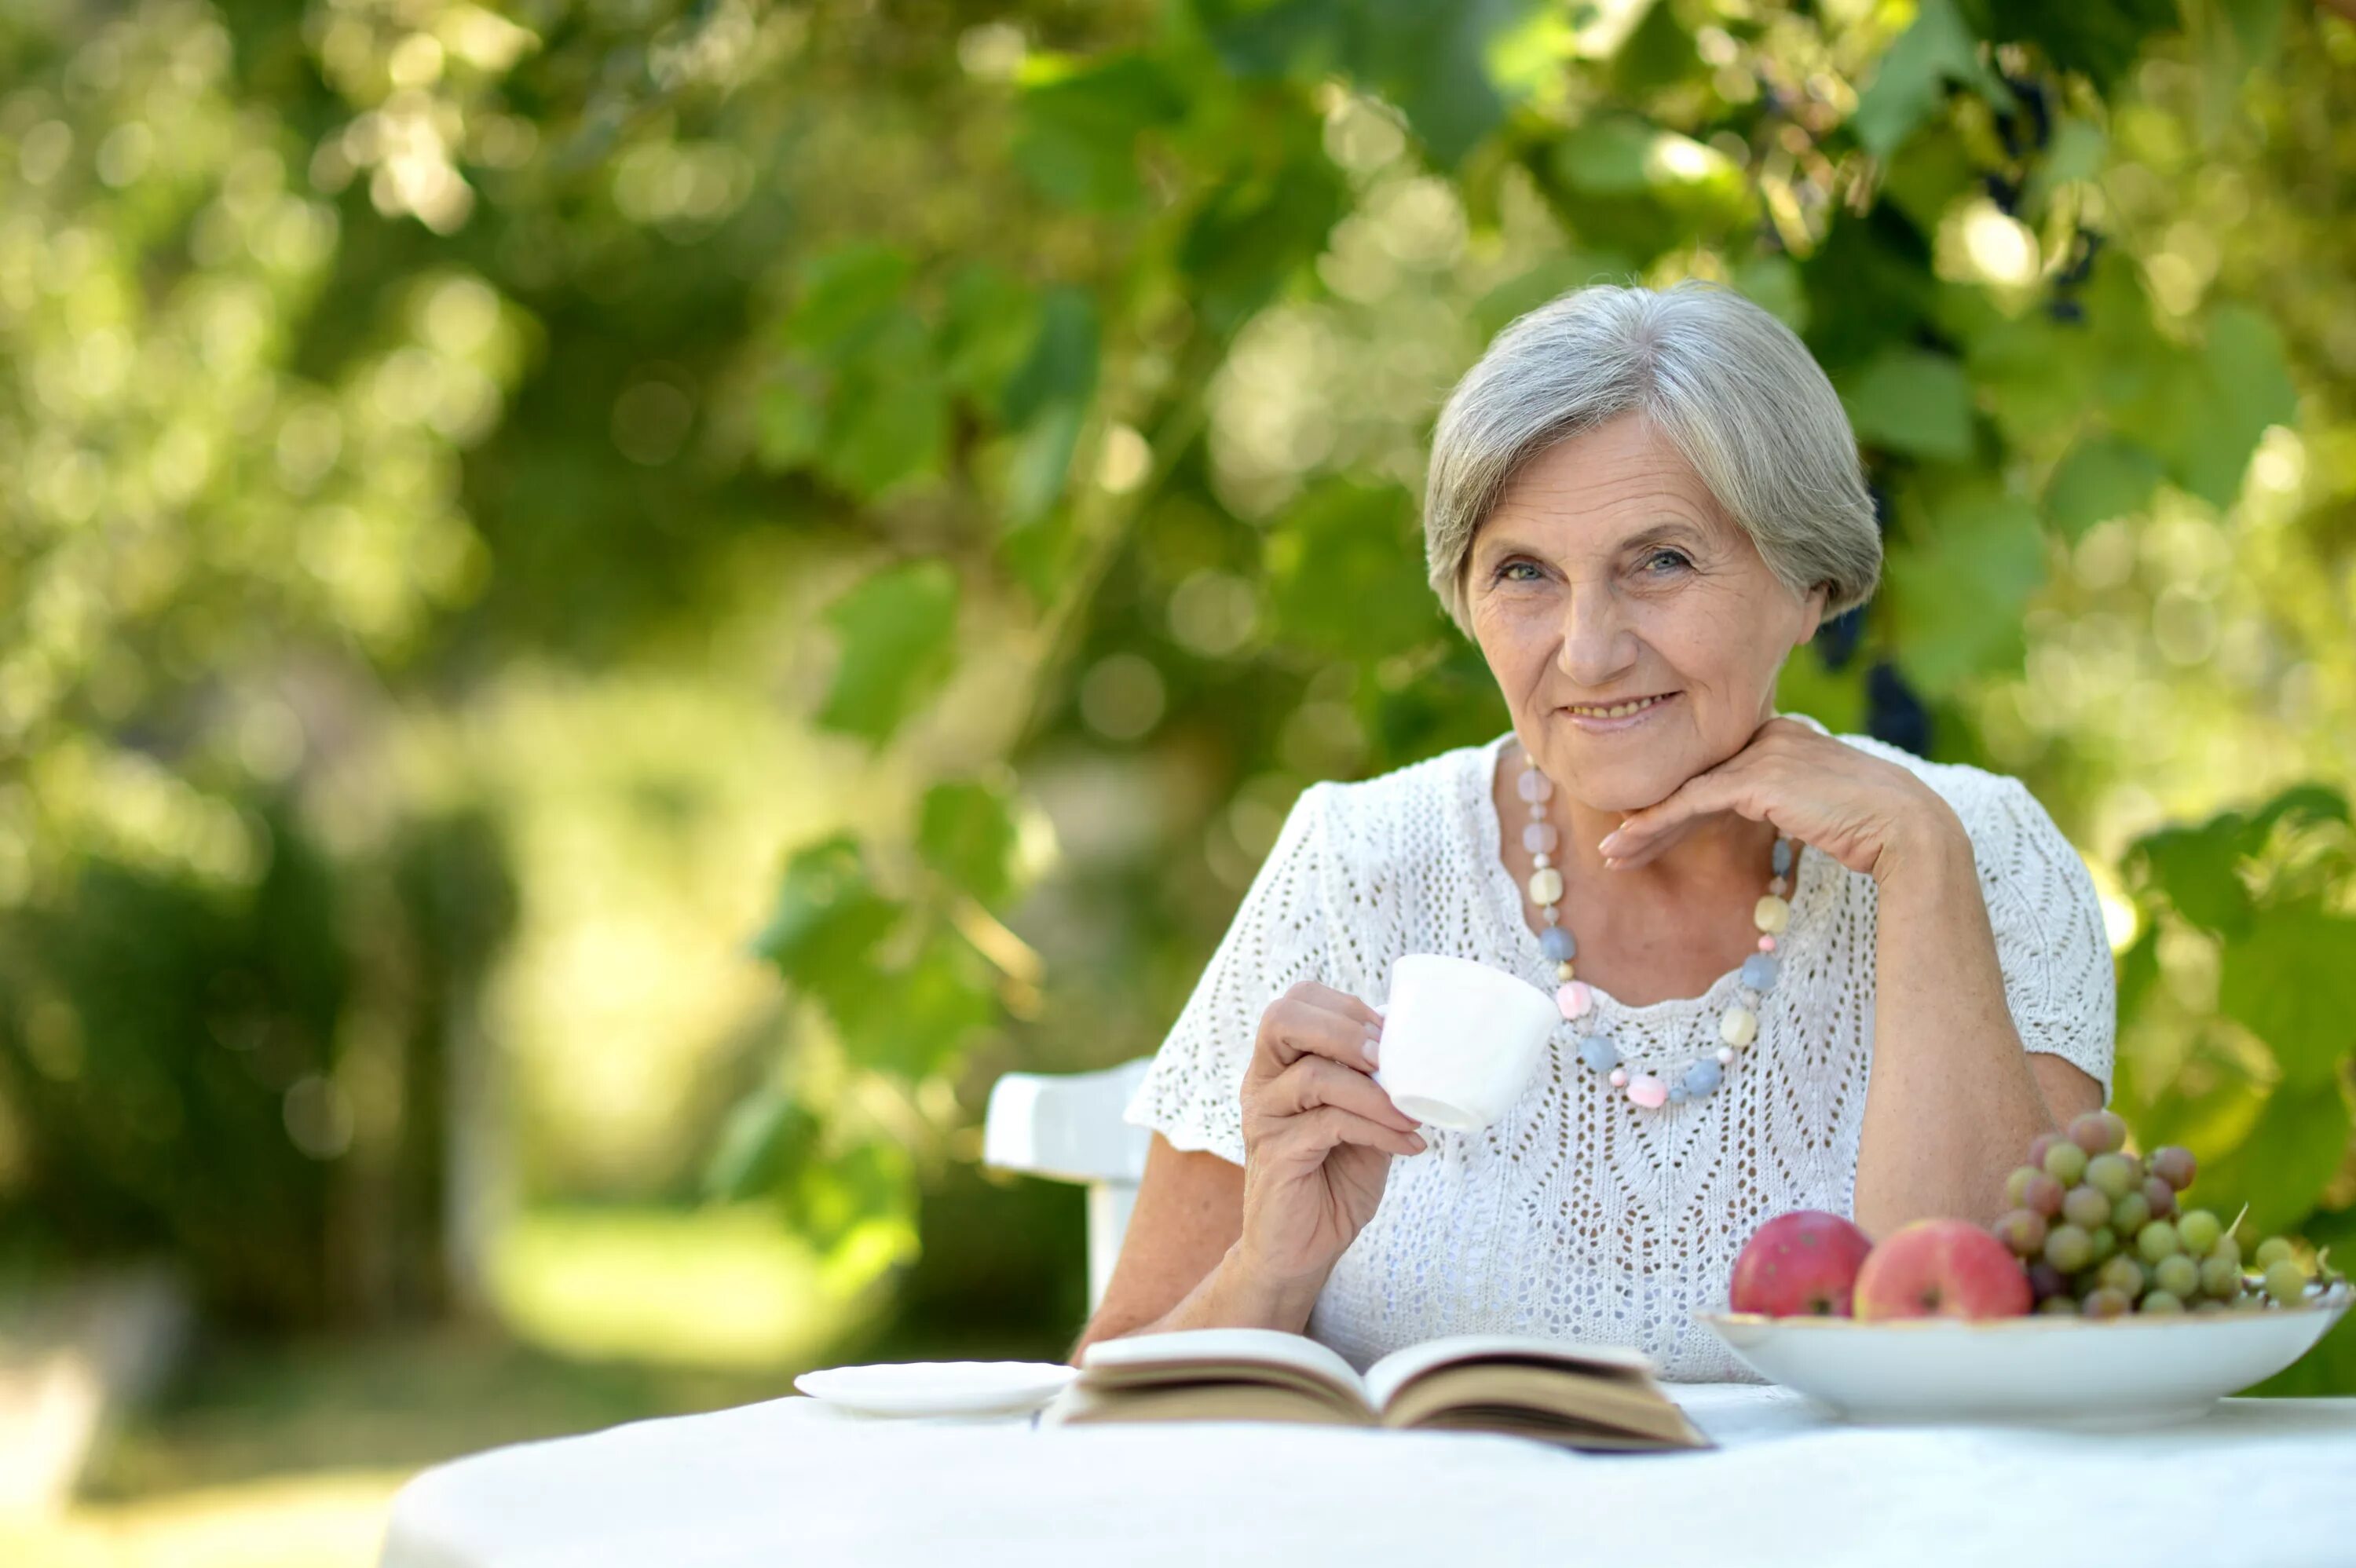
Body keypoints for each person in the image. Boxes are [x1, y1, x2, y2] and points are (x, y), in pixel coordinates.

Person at [1072, 280, 2115, 1379]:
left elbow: (1983, 1368)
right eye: (1524, 573)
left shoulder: (1979, 847)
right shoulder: (1358, 865)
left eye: (1659, 561)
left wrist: (1921, 862)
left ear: (1810, 581)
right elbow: (1104, 1409)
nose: (1588, 649)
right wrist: (1268, 1269)